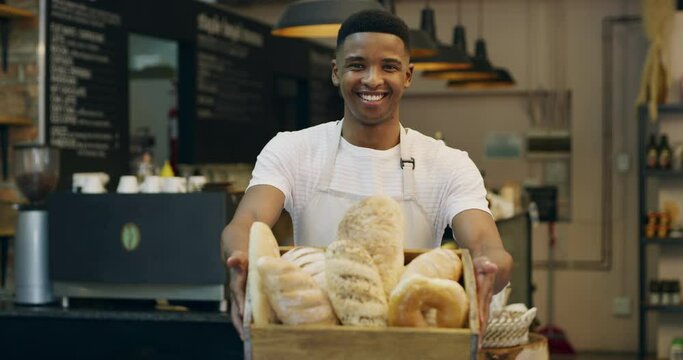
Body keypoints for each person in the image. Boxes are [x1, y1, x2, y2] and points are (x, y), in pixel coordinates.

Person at [221, 9, 512, 343]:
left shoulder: (447, 163)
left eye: (388, 66)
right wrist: (240, 260)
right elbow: (248, 221)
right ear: (336, 72)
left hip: (408, 340)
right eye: (357, 65)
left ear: (408, 75)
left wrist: (489, 267)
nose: (372, 79)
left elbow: (485, 243)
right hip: (313, 337)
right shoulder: (292, 150)